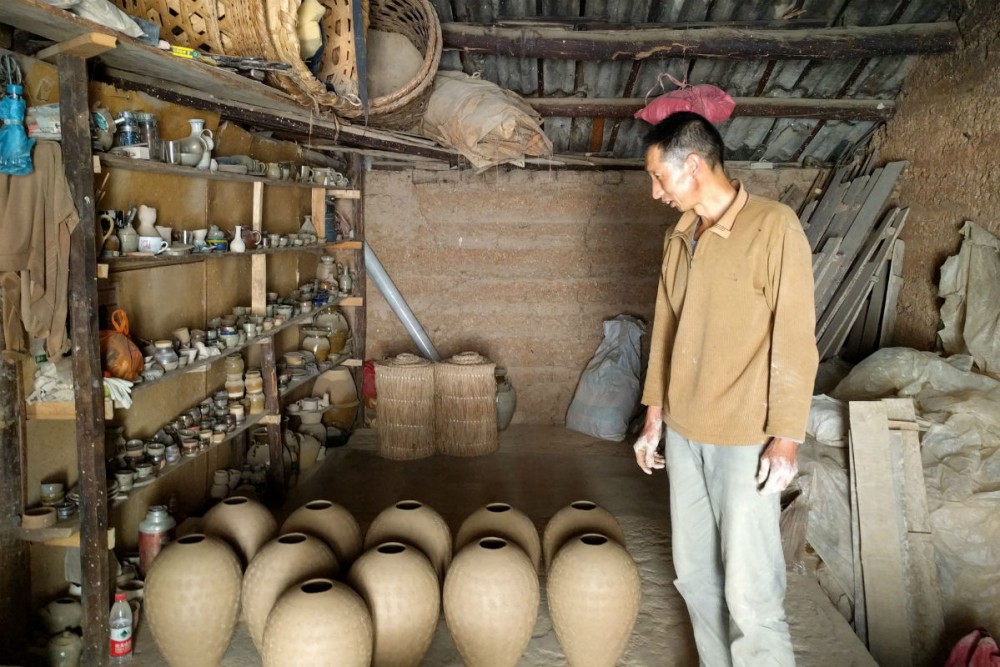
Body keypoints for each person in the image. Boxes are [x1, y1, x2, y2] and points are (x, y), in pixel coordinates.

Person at [633, 111, 818, 667]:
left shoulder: (774, 226)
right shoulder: (680, 236)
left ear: (692, 166)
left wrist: (786, 436)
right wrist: (653, 417)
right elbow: (665, 325)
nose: (653, 191)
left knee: (751, 591)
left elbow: (794, 336)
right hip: (686, 435)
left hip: (745, 438)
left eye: (658, 177)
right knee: (695, 578)